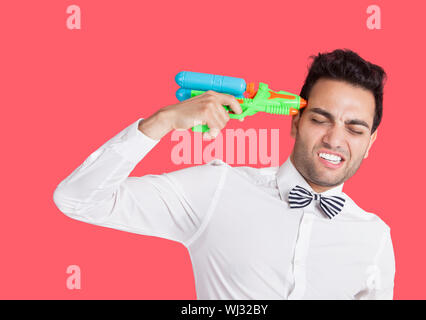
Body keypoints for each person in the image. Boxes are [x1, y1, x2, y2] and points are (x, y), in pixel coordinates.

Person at [53, 49, 395, 300]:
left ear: (370, 143)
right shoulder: (217, 189)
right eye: (320, 119)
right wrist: (161, 123)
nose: (335, 139)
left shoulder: (374, 238)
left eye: (354, 128)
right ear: (295, 122)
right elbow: (78, 200)